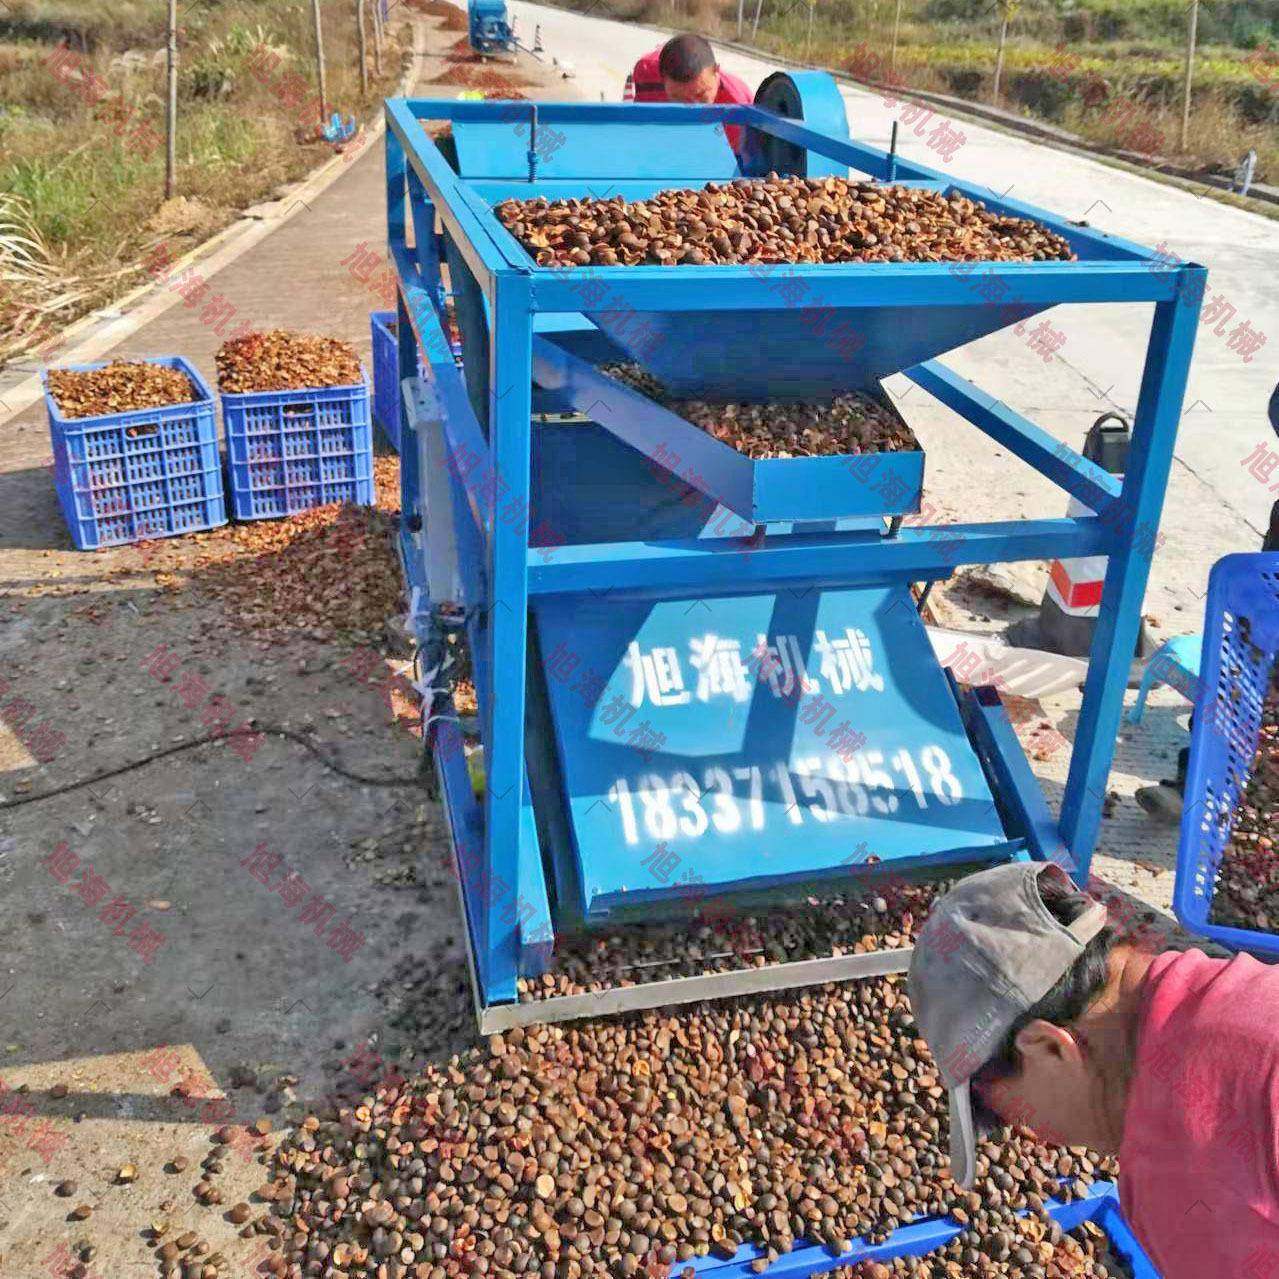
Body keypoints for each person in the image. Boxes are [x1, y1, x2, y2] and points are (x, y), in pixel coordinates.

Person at [908, 861, 1279, 1279]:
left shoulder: (1185, 1184)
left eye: (1002, 1112)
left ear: (1048, 1047)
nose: (1036, 1137)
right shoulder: (1249, 992)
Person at [624, 34, 752, 149]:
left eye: (701, 95)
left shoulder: (737, 106)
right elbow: (643, 133)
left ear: (716, 72)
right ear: (661, 78)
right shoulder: (646, 73)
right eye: (679, 99)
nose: (692, 108)